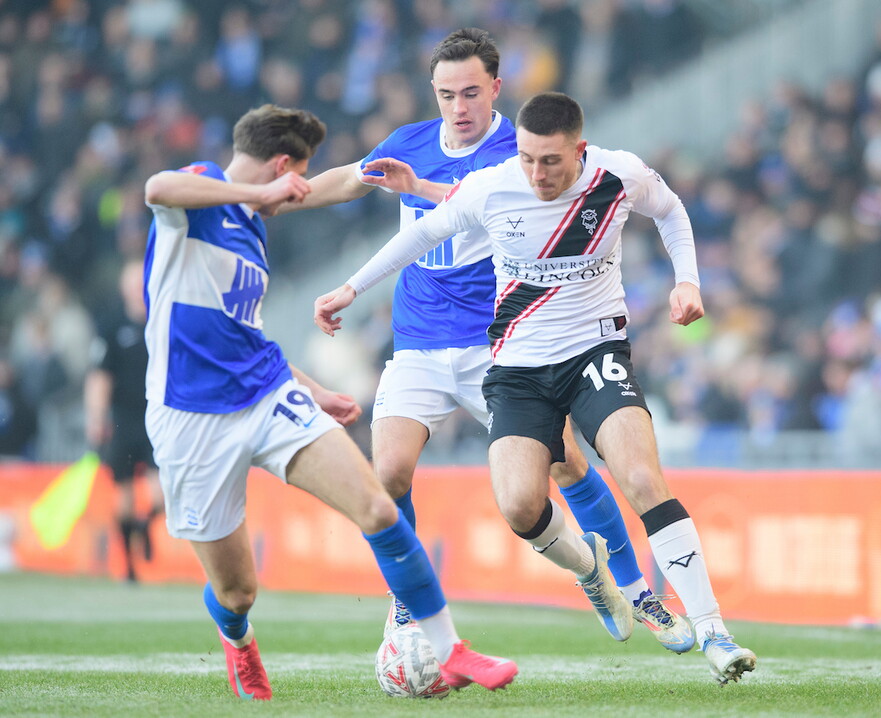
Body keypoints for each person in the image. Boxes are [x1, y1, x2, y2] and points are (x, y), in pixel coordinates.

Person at [314, 92, 758, 684]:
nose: (536, 174)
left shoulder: (617, 173)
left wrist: (687, 281)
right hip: (517, 370)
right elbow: (422, 235)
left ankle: (713, 632)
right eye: (526, 159)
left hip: (595, 353)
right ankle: (592, 571)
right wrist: (351, 287)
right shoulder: (495, 185)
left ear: (578, 150)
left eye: (549, 161)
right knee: (521, 506)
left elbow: (671, 211)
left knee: (642, 477)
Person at [276, 27, 692, 653]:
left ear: (496, 88)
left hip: (501, 344)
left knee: (566, 463)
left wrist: (415, 189)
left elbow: (477, 202)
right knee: (385, 472)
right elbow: (350, 179)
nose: (459, 107)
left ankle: (635, 590)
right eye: (446, 94)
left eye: (471, 92)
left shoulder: (523, 150)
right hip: (417, 339)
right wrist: (280, 196)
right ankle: (412, 604)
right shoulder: (410, 142)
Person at [142, 103, 518, 701]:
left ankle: (450, 651)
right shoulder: (202, 196)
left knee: (378, 506)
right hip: (191, 416)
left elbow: (247, 333)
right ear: (285, 167)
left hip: (267, 396)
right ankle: (236, 637)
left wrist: (314, 392)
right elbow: (157, 186)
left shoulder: (253, 232)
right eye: (299, 181)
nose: (296, 197)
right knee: (238, 590)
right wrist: (245, 191)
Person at [84, 258, 164, 583]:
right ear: (124, 288)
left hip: (158, 418)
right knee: (125, 497)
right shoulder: (111, 325)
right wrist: (96, 417)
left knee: (163, 496)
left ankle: (147, 524)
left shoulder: (162, 320)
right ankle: (129, 565)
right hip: (123, 421)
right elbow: (100, 377)